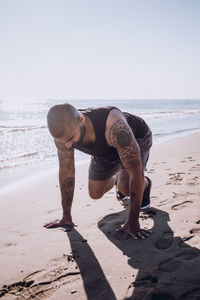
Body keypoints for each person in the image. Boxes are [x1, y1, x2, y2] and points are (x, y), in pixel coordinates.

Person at [44, 104, 153, 240]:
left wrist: (133, 220)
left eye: (71, 139)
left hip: (136, 138)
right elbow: (67, 172)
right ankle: (119, 176)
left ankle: (146, 184)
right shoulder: (65, 135)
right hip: (103, 151)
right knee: (95, 193)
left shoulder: (116, 127)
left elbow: (135, 172)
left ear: (81, 120)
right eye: (63, 142)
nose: (68, 146)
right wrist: (66, 216)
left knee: (125, 188)